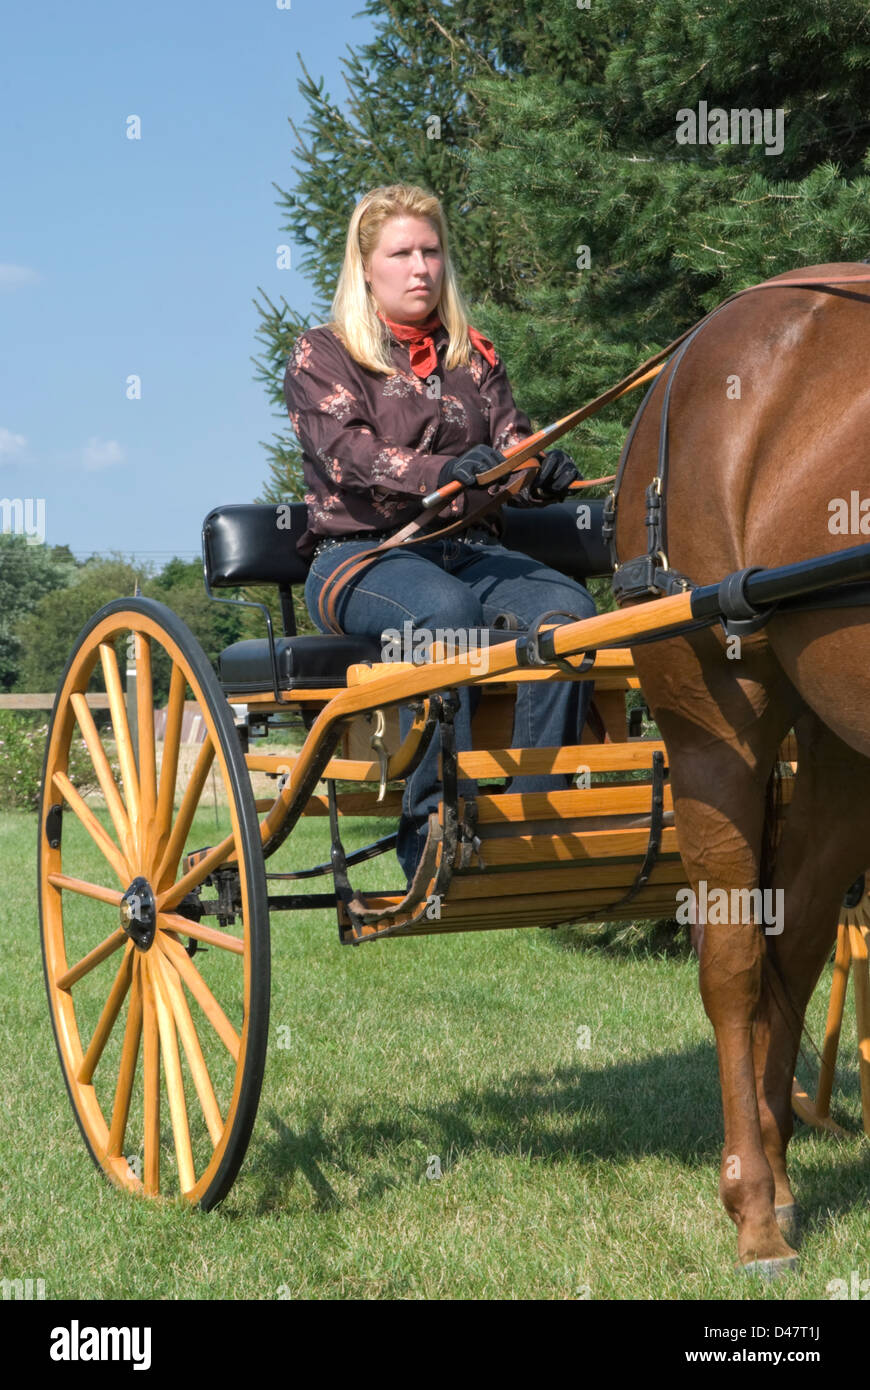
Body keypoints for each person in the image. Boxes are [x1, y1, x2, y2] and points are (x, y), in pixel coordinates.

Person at [284, 183, 596, 886]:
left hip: (471, 552)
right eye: (401, 253)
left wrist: (537, 473)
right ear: (366, 267)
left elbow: (512, 446)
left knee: (573, 617)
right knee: (447, 616)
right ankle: (431, 827)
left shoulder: (473, 356)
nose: (421, 267)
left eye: (431, 251)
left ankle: (532, 825)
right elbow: (351, 457)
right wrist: (450, 469)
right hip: (361, 557)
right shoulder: (322, 355)